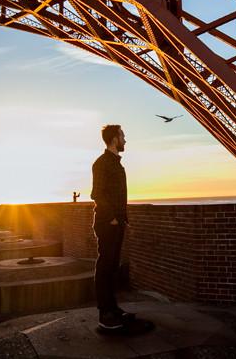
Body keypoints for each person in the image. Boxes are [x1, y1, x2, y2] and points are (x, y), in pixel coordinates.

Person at [90, 124, 135, 330]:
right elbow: (97, 194)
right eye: (123, 136)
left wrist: (123, 218)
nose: (125, 140)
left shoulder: (116, 163)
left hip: (116, 222)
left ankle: (113, 308)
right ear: (114, 139)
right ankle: (104, 314)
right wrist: (112, 219)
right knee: (105, 267)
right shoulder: (102, 164)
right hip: (107, 223)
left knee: (112, 267)